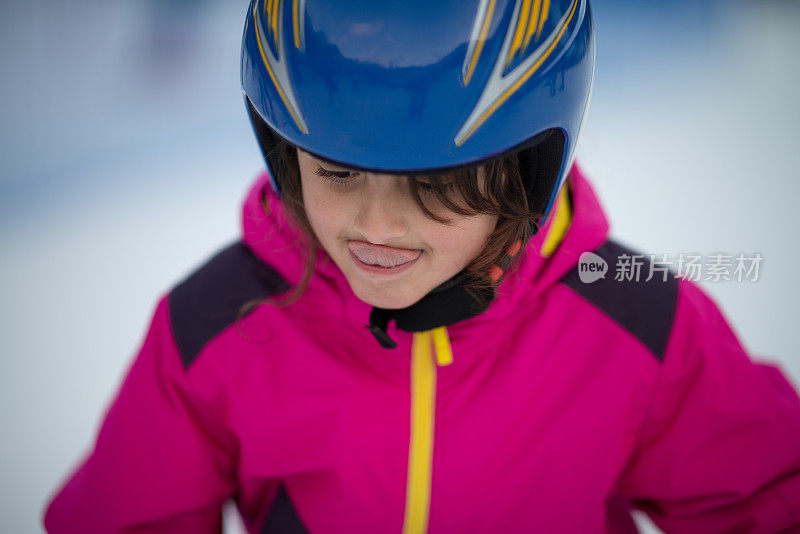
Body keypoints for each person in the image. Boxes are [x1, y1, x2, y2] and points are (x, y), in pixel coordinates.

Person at [43, 0, 800, 532]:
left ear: (524, 173)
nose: (378, 224)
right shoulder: (215, 328)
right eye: (338, 173)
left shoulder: (639, 324)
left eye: (437, 184)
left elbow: (768, 501)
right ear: (283, 151)